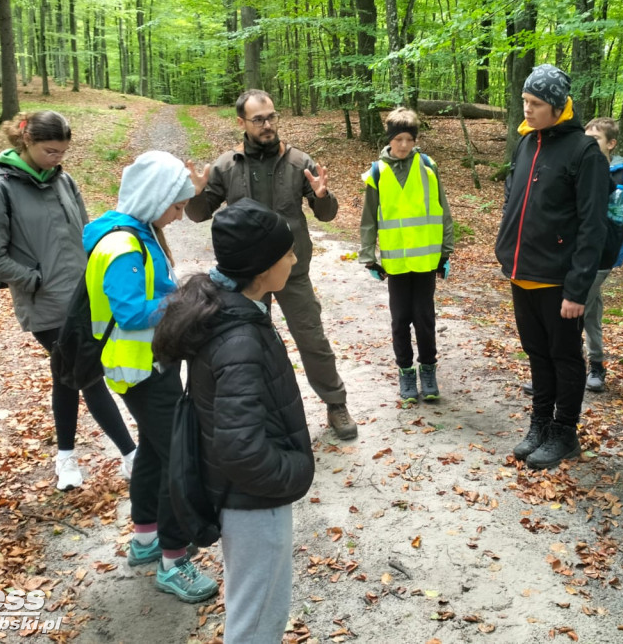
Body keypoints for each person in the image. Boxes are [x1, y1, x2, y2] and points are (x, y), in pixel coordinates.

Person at [154, 199, 315, 644]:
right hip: (252, 503)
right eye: (286, 253)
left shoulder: (234, 308)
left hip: (244, 496)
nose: (294, 258)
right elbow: (241, 449)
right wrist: (294, 472)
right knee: (257, 621)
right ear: (262, 268)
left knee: (253, 609)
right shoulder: (240, 337)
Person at [83, 150, 219, 603]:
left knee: (156, 454)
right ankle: (174, 560)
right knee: (178, 458)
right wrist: (185, 303)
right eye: (176, 206)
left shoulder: (136, 231)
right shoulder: (123, 245)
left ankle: (145, 539)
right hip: (141, 369)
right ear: (154, 197)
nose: (180, 215)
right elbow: (130, 311)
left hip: (146, 364)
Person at [0, 110, 136, 492]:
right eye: (51, 151)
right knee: (88, 373)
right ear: (26, 142)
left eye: (63, 151)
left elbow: (85, 232)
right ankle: (132, 455)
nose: (58, 158)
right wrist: (35, 279)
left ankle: (65, 458)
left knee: (67, 377)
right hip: (44, 305)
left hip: (82, 297)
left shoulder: (64, 180)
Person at [185, 89, 358, 441]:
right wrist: (197, 193)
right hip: (247, 278)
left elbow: (327, 215)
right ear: (242, 123)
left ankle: (335, 402)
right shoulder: (225, 166)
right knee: (248, 344)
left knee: (312, 339)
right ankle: (258, 411)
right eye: (259, 119)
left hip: (291, 272)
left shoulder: (299, 162)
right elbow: (199, 215)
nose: (267, 125)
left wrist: (324, 196)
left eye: (271, 117)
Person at [495, 64, 610, 470]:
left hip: (559, 280)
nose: (526, 109)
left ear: (558, 107)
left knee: (564, 356)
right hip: (521, 272)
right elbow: (515, 200)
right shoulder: (527, 144)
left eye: (536, 103)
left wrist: (577, 289)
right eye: (525, 101)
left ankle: (564, 432)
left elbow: (594, 226)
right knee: (536, 353)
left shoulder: (584, 153)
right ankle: (539, 424)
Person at [358, 108, 455, 405]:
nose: (403, 145)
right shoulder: (377, 172)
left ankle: (428, 370)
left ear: (415, 140)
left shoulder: (427, 166)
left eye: (408, 139)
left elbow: (443, 209)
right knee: (400, 319)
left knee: (424, 318)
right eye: (398, 139)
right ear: (389, 140)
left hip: (426, 260)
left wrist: (446, 251)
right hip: (396, 263)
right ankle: (405, 373)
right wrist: (368, 256)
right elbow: (369, 218)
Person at [581, 117, 623, 393]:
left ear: (611, 143)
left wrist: (605, 221)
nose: (589, 144)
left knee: (574, 308)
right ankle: (596, 364)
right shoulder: (580, 168)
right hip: (575, 254)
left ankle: (561, 371)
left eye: (595, 139)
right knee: (590, 311)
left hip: (603, 257)